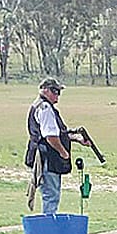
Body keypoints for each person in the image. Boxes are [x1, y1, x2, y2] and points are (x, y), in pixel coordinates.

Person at [26, 78, 71, 214]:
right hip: (48, 158)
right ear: (44, 90)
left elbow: (56, 133)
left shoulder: (39, 105)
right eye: (54, 91)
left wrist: (76, 138)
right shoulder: (45, 109)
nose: (57, 96)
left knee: (50, 194)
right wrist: (63, 153)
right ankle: (49, 224)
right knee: (51, 196)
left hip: (43, 156)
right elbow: (51, 137)